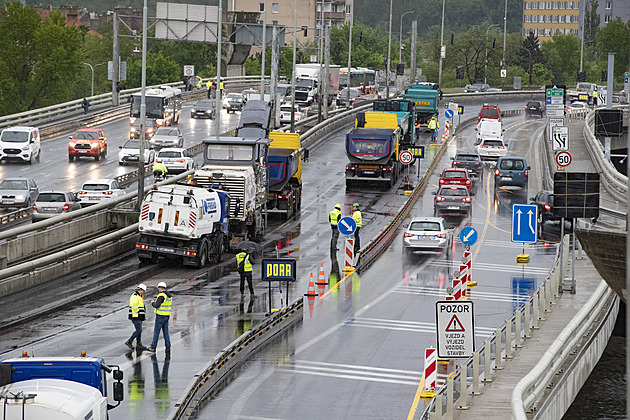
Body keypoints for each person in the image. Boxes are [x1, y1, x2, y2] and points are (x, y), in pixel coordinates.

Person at [147, 282, 172, 354]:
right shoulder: (169, 296)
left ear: (160, 288)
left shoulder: (161, 295)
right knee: (166, 332)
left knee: (156, 332)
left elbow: (157, 305)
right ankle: (168, 346)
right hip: (167, 315)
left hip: (160, 316)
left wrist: (152, 303)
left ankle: (153, 347)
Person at [125, 284, 148, 350]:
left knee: (139, 330)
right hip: (135, 316)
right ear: (140, 290)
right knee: (139, 330)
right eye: (143, 291)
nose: (144, 292)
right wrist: (138, 312)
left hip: (138, 316)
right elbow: (134, 306)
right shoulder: (134, 296)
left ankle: (139, 344)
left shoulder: (138, 296)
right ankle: (129, 341)